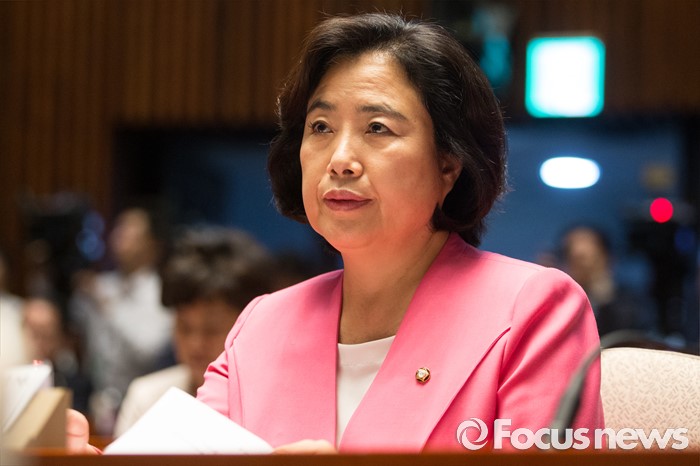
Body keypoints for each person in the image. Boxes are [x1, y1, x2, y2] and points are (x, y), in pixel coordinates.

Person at [69, 13, 603, 453]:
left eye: (377, 128)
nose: (340, 158)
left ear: (448, 163)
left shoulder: (532, 310)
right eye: (321, 128)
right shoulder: (261, 324)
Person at [113, 228, 277, 436]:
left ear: (250, 326)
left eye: (212, 330)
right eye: (185, 328)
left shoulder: (271, 402)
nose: (195, 344)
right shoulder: (148, 398)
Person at [70, 206, 174, 435]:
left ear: (152, 245)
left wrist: (108, 308)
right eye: (119, 229)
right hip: (96, 399)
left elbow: (148, 350)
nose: (120, 237)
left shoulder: (161, 292)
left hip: (142, 402)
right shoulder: (102, 285)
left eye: (131, 233)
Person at [558, 224, 658, 337]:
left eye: (590, 260)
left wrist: (605, 300)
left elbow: (636, 338)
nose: (584, 270)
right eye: (575, 261)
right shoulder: (561, 304)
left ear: (608, 258)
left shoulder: (632, 304)